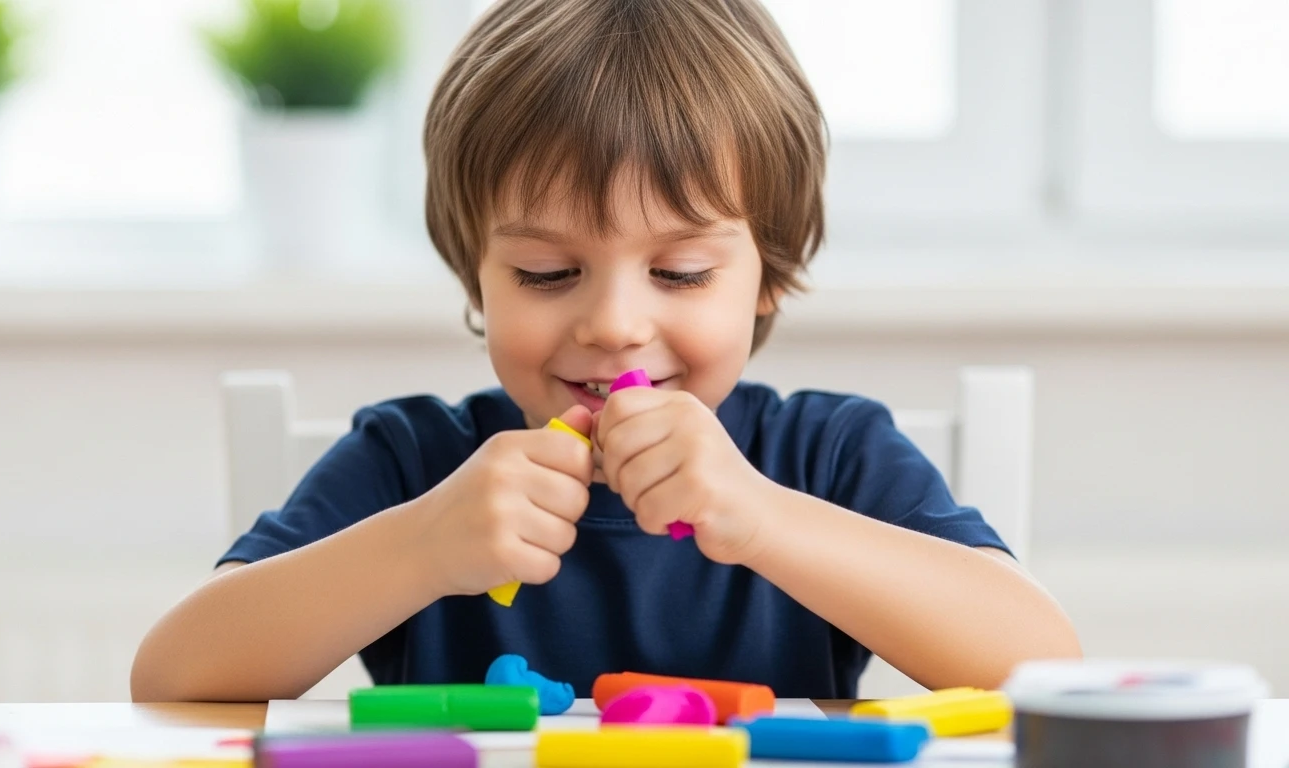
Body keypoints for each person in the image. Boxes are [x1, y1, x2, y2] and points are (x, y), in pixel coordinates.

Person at [131, 0, 1080, 703]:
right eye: (547, 273)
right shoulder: (411, 463)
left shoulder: (829, 458)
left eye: (679, 273)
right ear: (477, 280)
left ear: (771, 279)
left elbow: (1044, 667)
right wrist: (420, 547)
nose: (614, 326)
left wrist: (760, 517)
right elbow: (172, 680)